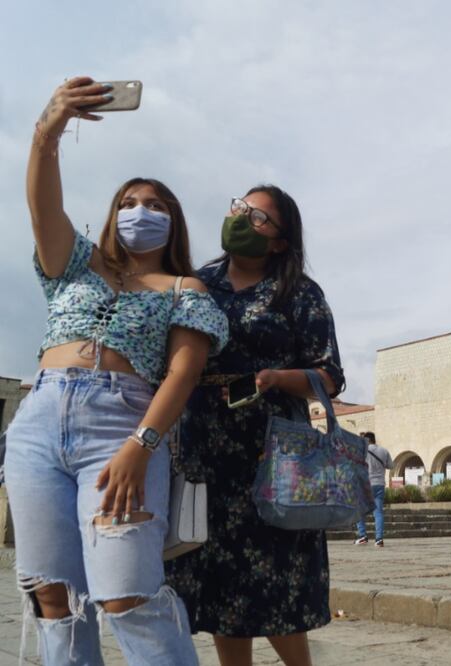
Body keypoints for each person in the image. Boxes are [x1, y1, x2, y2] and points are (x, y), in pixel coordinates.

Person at [5, 77, 227, 664]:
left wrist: (141, 445)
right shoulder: (74, 263)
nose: (140, 212)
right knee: (53, 594)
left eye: (155, 205)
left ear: (173, 220)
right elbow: (41, 206)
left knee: (127, 595)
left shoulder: (185, 287)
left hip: (121, 425)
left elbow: (183, 371)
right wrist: (47, 133)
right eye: (128, 202)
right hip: (37, 424)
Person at [165, 185, 345, 666]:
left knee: (277, 580)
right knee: (222, 586)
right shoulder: (198, 282)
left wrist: (276, 378)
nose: (242, 218)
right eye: (239, 207)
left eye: (258, 217)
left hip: (274, 454)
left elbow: (329, 374)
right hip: (205, 451)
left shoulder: (299, 292)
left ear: (281, 241)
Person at [354, 432, 392, 546]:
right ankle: (379, 539)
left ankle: (362, 536)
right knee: (378, 512)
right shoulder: (384, 451)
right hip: (379, 484)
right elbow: (391, 466)